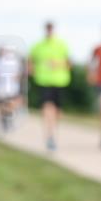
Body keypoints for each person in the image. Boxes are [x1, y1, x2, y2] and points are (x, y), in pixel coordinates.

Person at [28, 21, 72, 151]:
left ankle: (53, 132)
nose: (49, 31)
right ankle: (49, 136)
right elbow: (30, 60)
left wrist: (57, 64)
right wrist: (31, 70)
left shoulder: (62, 44)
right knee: (47, 107)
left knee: (57, 111)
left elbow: (69, 64)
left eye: (51, 29)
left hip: (59, 82)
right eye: (47, 29)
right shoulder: (38, 45)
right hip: (44, 82)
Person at [0, 45, 23, 133]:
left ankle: (8, 119)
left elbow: (19, 73)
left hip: (11, 88)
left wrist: (17, 78)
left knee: (10, 105)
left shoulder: (13, 61)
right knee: (1, 106)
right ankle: (3, 121)